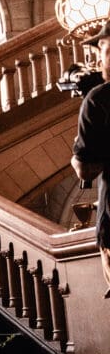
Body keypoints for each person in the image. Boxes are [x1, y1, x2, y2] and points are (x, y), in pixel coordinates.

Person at [72, 20, 110, 298]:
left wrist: (76, 158)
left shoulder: (100, 99)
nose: (100, 60)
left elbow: (86, 169)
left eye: (104, 51)